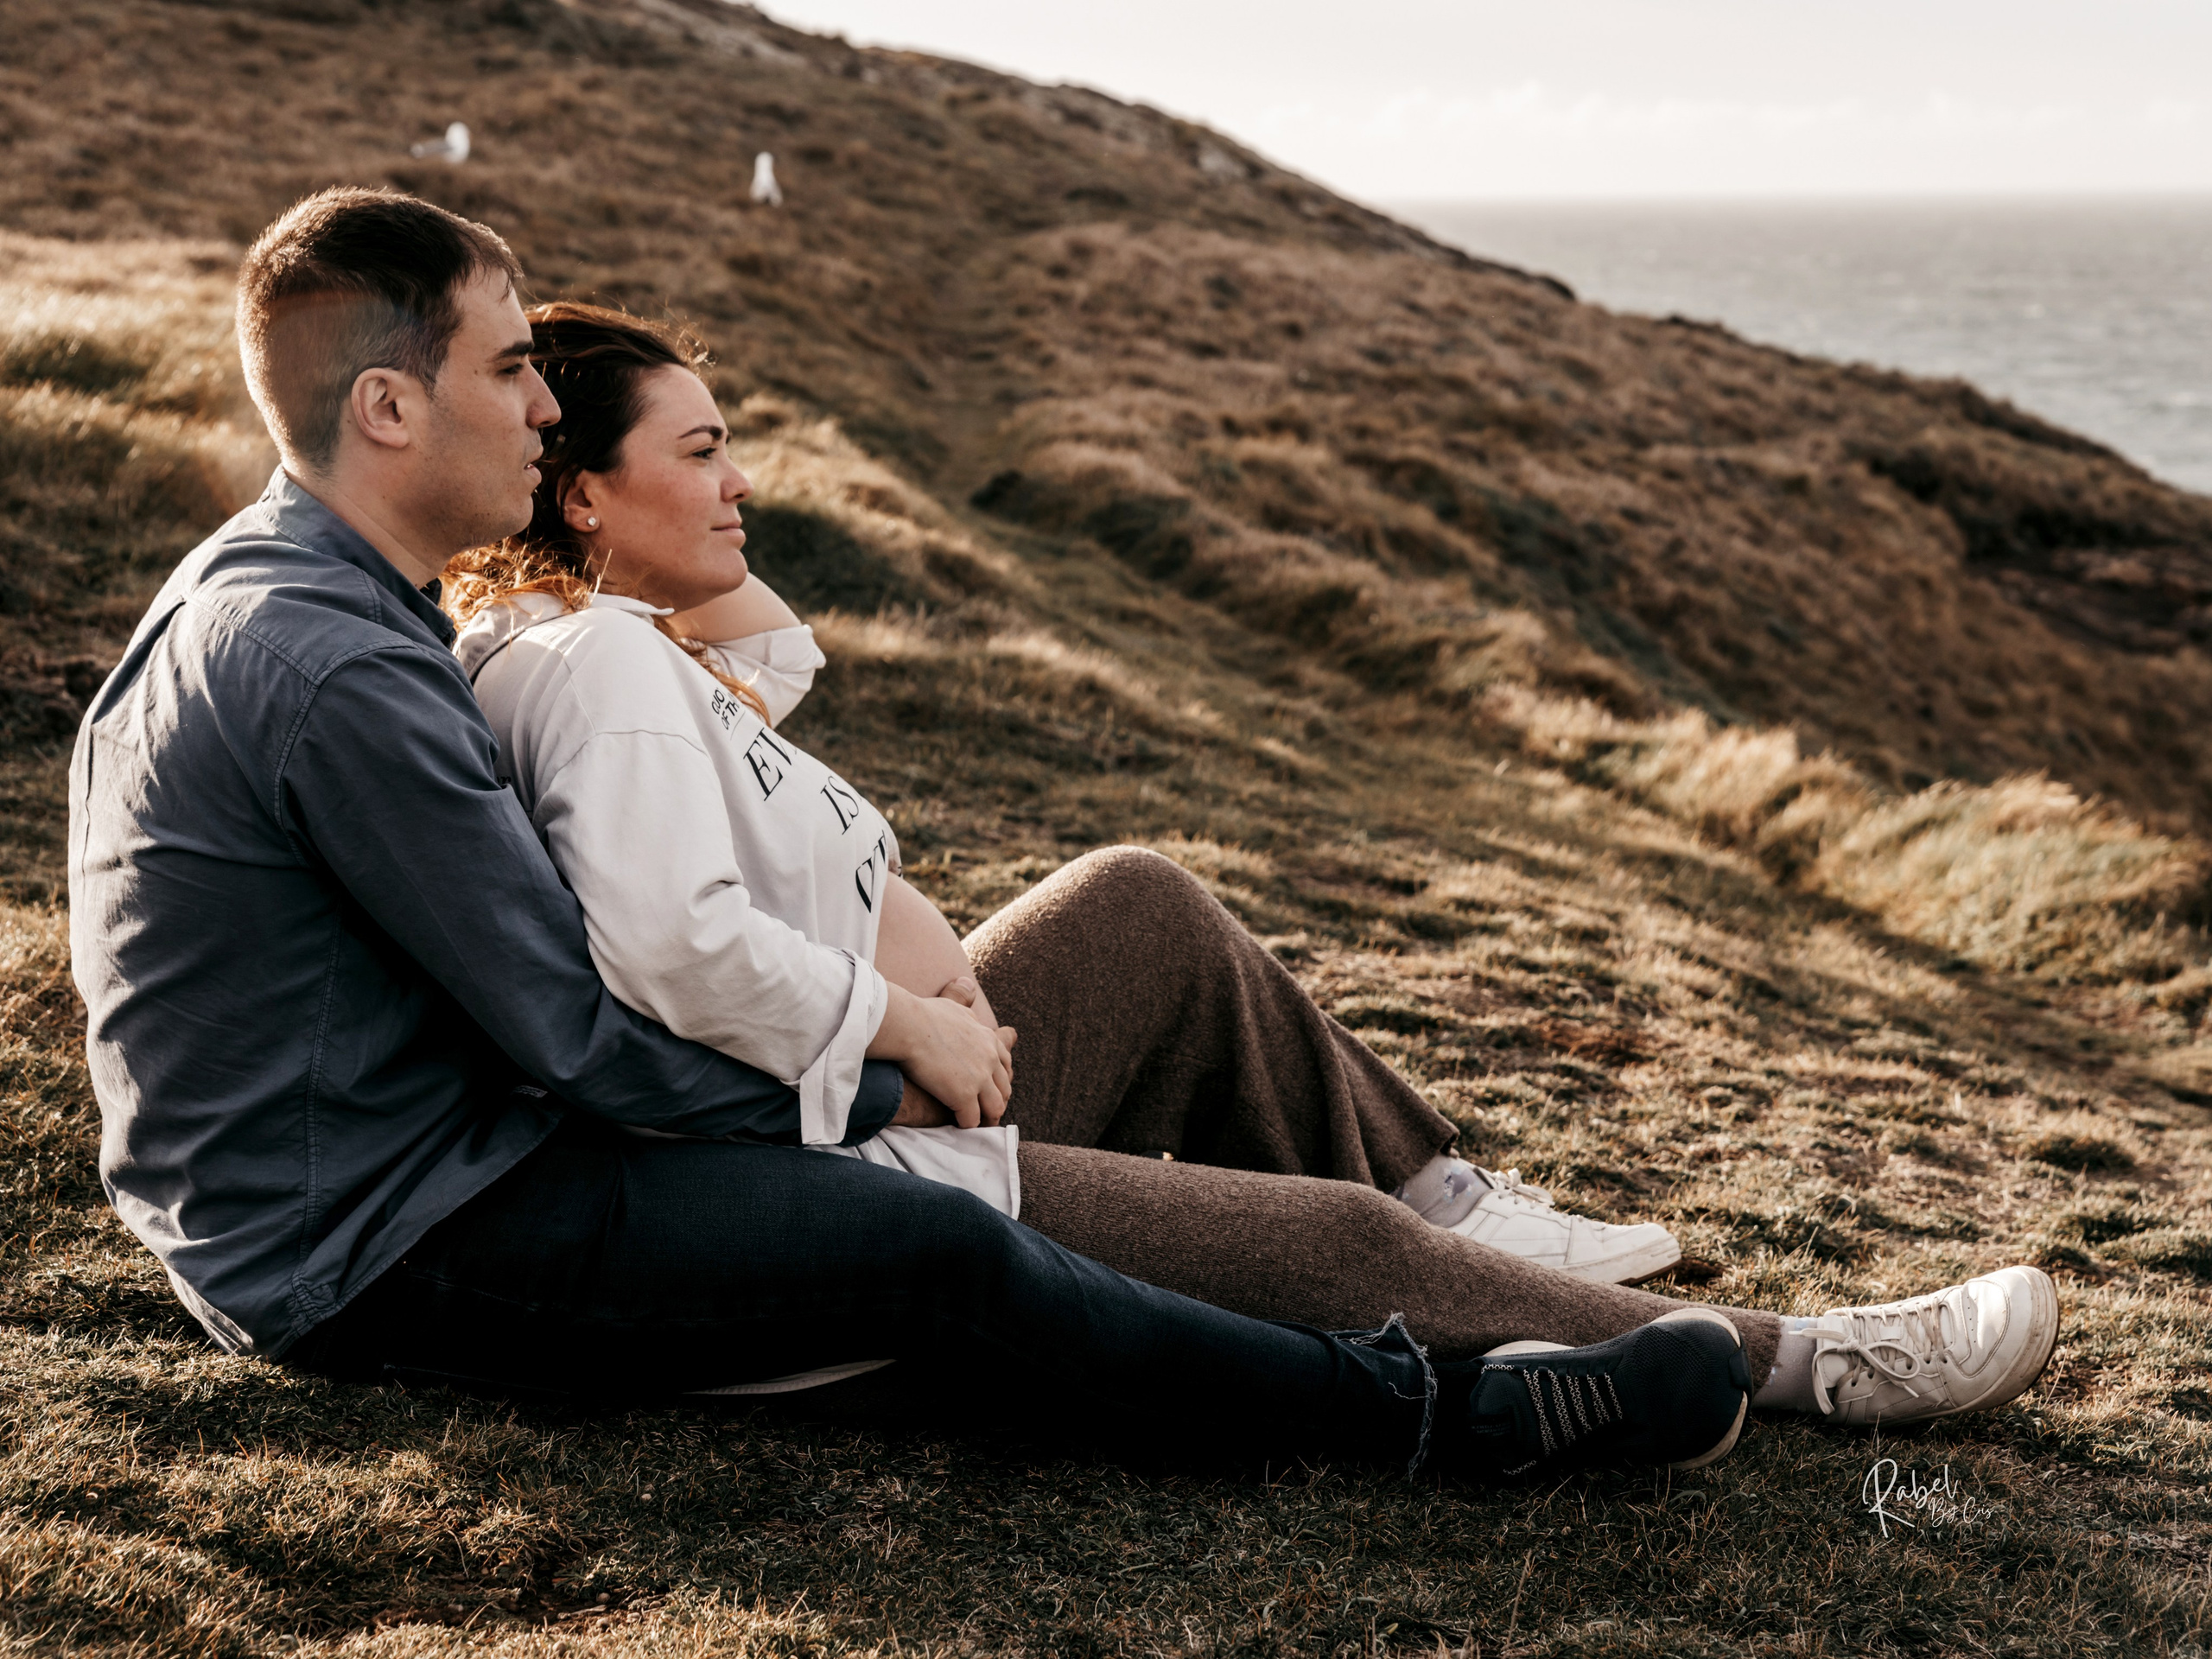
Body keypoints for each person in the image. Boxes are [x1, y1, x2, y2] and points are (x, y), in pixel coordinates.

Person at [55, 188, 2036, 1494]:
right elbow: (587, 1032)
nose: (534, 412)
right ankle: (1541, 1396)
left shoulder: (344, 603)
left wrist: (896, 1026)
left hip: (484, 1134)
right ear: (388, 409)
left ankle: (1454, 1211)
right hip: (392, 1235)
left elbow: (629, 857)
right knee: (936, 1239)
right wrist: (886, 1073)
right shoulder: (344, 668)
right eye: (508, 377)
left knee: (1132, 914)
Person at [442, 301, 2058, 1436]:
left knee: (1136, 903)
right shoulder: (599, 666)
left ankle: (1454, 1205)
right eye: (704, 450)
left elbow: (765, 663)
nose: (743, 483)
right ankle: (1818, 1362)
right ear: (582, 490)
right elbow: (669, 948)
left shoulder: (609, 647)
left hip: (893, 1090)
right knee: (1329, 1252)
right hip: (860, 1147)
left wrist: (632, 547)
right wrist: (906, 1025)